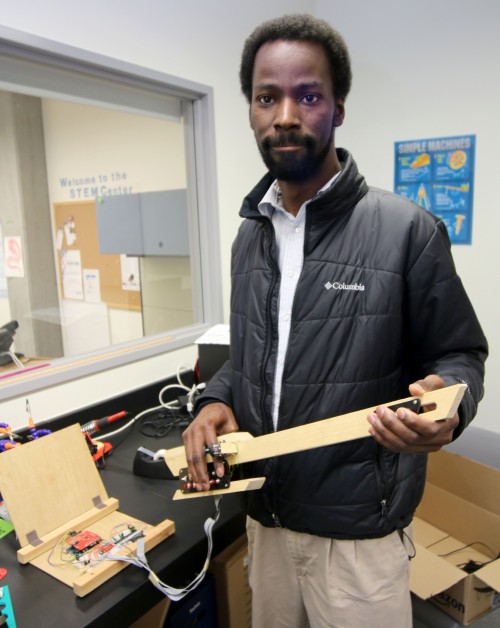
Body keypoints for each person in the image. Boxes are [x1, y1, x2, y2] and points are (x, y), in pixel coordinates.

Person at [182, 13, 488, 628]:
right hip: (265, 520)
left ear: (338, 109)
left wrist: (450, 406)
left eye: (309, 95)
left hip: (358, 537)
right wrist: (217, 397)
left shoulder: (408, 231)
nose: (286, 115)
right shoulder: (250, 239)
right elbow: (253, 358)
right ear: (250, 109)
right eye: (268, 97)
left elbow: (460, 356)